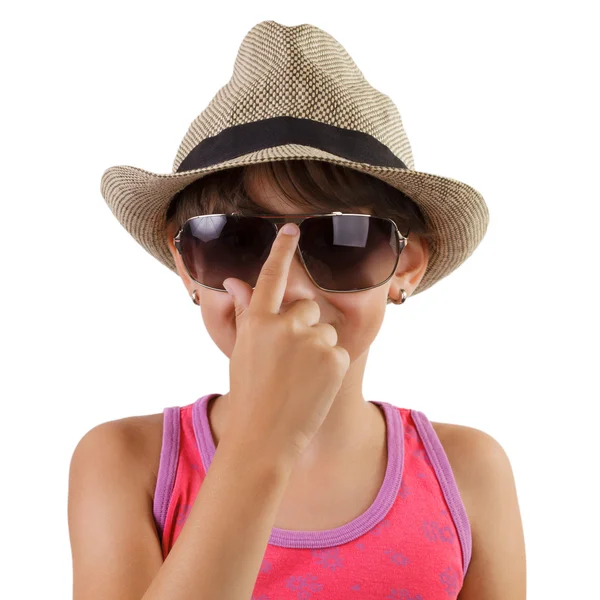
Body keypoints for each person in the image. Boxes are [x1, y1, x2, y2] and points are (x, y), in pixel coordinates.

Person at [68, 20, 526, 600]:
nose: (289, 290)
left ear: (406, 266)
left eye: (343, 243)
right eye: (235, 243)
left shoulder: (467, 474)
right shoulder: (127, 465)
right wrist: (265, 440)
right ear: (186, 265)